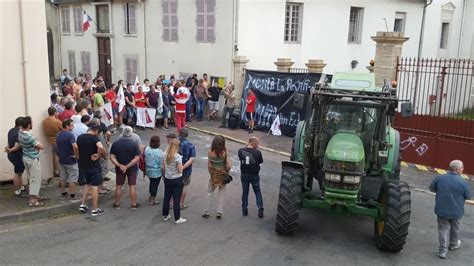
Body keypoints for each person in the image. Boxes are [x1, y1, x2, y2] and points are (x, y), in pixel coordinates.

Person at [430, 160, 471, 259]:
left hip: (441, 210)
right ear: (457, 170)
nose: (463, 169)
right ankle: (453, 244)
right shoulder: (464, 183)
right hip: (457, 212)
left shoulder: (439, 178)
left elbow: (432, 189)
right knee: (455, 229)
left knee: (442, 229)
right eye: (462, 168)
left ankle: (442, 251)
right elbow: (468, 196)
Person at [8, 116, 45, 207]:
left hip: (26, 157)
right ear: (28, 125)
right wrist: (37, 143)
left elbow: (19, 144)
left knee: (31, 178)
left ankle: (36, 196)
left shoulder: (20, 132)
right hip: (32, 159)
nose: (32, 124)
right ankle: (33, 200)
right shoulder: (29, 136)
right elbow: (41, 146)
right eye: (31, 123)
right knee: (35, 180)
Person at [77, 119, 105, 216]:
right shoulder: (94, 138)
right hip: (93, 166)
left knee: (87, 184)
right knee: (94, 186)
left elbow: (77, 148)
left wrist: (78, 157)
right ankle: (94, 209)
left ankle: (83, 204)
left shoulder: (80, 138)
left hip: (83, 164)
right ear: (96, 130)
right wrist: (98, 155)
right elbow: (101, 147)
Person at [110, 126, 141, 209]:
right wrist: (127, 166)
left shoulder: (116, 143)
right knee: (132, 186)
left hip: (119, 168)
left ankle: (117, 204)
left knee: (119, 186)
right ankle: (133, 204)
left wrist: (119, 165)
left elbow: (112, 156)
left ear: (122, 133)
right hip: (131, 168)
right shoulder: (134, 144)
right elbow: (137, 158)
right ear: (131, 134)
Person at [202, 135, 232, 219]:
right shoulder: (224, 153)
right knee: (221, 194)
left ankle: (207, 212)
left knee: (209, 193)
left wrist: (212, 175)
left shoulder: (210, 153)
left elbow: (209, 165)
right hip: (222, 174)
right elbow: (229, 166)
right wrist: (227, 154)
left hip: (214, 175)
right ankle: (219, 212)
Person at [162, 138, 187, 224]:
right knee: (176, 199)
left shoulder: (164, 154)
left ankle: (165, 215)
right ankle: (177, 218)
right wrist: (183, 166)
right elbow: (180, 170)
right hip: (177, 179)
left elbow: (164, 167)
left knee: (167, 197)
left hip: (168, 178)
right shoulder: (177, 157)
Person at [238, 137, 264, 218]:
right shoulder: (258, 152)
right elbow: (260, 161)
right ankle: (260, 208)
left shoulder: (241, 150)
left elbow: (240, 158)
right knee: (257, 191)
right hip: (254, 174)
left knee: (245, 192)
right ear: (254, 143)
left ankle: (244, 209)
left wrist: (246, 147)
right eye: (257, 143)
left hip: (244, 174)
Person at [56, 119, 79, 202]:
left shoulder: (58, 135)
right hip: (70, 159)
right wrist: (77, 155)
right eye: (72, 125)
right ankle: (72, 195)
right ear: (67, 126)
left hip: (62, 159)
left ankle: (63, 193)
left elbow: (57, 147)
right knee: (73, 178)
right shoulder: (70, 135)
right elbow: (75, 146)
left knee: (62, 177)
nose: (73, 126)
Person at [4, 117, 26, 196]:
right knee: (18, 173)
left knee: (20, 172)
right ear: (20, 125)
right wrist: (10, 150)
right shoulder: (19, 133)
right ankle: (17, 191)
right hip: (16, 155)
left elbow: (9, 142)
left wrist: (8, 149)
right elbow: (17, 146)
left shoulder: (11, 130)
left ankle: (21, 187)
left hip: (12, 155)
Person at [42, 106, 62, 178]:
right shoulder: (57, 121)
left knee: (55, 156)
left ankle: (56, 171)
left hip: (51, 140)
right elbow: (64, 129)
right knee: (61, 156)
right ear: (55, 112)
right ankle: (61, 172)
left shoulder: (44, 121)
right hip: (59, 140)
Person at [144, 135, 164, 205]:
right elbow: (162, 165)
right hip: (156, 171)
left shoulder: (147, 149)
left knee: (152, 183)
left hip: (148, 170)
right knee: (155, 185)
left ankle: (151, 195)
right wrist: (163, 173)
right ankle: (152, 199)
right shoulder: (160, 152)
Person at [178, 129, 195, 210]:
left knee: (173, 185)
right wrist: (183, 167)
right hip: (186, 169)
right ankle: (180, 204)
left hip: (174, 167)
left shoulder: (174, 143)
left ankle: (171, 202)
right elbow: (192, 159)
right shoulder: (190, 145)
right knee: (184, 186)